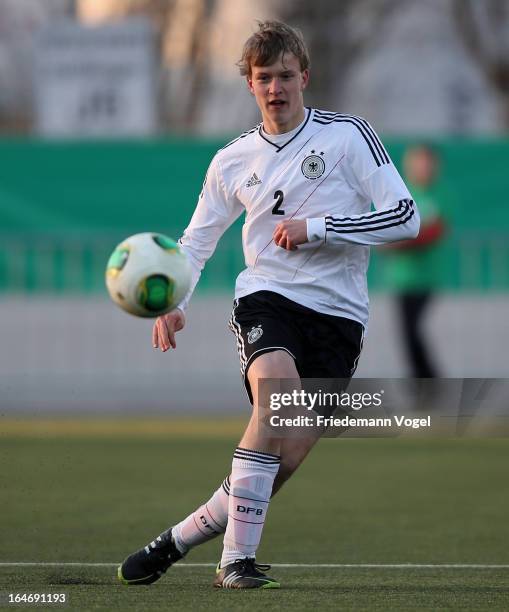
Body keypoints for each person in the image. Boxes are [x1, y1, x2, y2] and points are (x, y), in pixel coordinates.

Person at [118, 21, 420, 590]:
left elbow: (407, 218)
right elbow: (196, 241)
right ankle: (236, 563)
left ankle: (178, 539)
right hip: (268, 298)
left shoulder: (349, 137)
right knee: (274, 399)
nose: (276, 86)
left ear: (304, 77)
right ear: (250, 86)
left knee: (283, 459)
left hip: (340, 318)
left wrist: (318, 227)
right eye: (264, 78)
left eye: (286, 75)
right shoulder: (231, 159)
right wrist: (173, 300)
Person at [381, 144, 447, 378]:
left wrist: (402, 242)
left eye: (425, 163)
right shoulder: (402, 194)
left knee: (413, 330)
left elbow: (433, 231)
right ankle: (421, 380)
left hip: (425, 277)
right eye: (416, 162)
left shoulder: (439, 194)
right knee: (407, 332)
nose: (420, 168)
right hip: (402, 278)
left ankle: (428, 378)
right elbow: (386, 232)